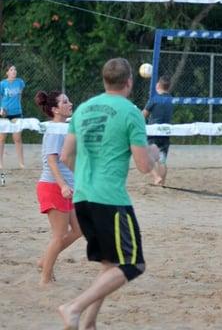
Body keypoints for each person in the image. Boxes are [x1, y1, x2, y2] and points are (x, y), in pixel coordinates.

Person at [58, 58, 160, 330]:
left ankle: (89, 322)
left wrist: (83, 178)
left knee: (109, 263)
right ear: (129, 82)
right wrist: (153, 154)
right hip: (110, 200)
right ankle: (74, 307)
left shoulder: (82, 110)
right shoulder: (130, 113)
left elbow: (66, 156)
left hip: (83, 197)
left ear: (105, 81)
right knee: (133, 264)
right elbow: (142, 166)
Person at [34, 90, 82, 285]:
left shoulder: (65, 128)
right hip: (53, 186)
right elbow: (52, 161)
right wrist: (63, 185)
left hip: (65, 186)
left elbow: (67, 160)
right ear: (55, 109)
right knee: (59, 234)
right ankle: (45, 278)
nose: (70, 103)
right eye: (65, 102)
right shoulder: (54, 129)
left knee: (79, 230)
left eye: (69, 100)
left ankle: (45, 261)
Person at [142, 75, 173, 185]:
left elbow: (143, 115)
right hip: (166, 132)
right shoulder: (170, 99)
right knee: (162, 160)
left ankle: (156, 178)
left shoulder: (154, 99)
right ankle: (163, 184)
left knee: (147, 157)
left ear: (158, 85)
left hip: (153, 133)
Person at [0, 64, 25, 169]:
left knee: (17, 138)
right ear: (7, 72)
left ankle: (21, 163)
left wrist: (18, 108)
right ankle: (0, 163)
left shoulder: (20, 82)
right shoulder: (2, 84)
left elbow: (19, 96)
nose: (14, 71)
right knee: (1, 138)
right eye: (11, 69)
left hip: (16, 113)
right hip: (4, 113)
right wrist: (1, 109)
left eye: (15, 69)